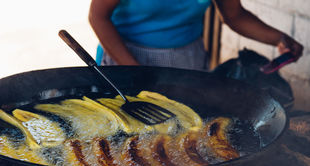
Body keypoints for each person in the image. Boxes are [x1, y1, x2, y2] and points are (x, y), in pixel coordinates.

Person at [88, 0, 303, 71]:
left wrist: (279, 38)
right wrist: (134, 71)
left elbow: (234, 15)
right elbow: (98, 17)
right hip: (125, 57)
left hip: (188, 59)